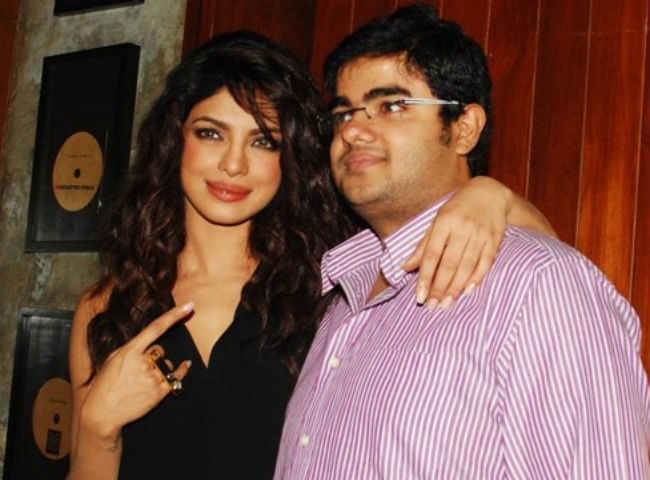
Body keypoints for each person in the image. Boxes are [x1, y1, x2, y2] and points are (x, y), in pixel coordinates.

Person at [67, 31, 553, 480]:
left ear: (290, 158)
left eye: (263, 141)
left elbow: (560, 275)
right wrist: (96, 428)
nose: (233, 164)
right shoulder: (109, 306)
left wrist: (494, 196)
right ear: (175, 141)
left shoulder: (332, 288)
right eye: (211, 133)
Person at [274, 5, 650, 479]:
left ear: (464, 128)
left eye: (392, 106)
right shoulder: (341, 301)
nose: (351, 129)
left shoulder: (537, 284)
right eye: (344, 112)